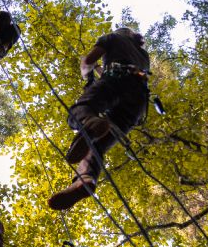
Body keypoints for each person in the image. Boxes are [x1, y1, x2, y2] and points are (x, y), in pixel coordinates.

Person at [48, 27, 150, 210]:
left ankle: (90, 122)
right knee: (97, 144)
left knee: (80, 111)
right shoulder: (143, 55)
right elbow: (125, 71)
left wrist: (87, 77)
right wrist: (99, 69)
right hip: (138, 100)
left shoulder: (112, 38)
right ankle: (84, 179)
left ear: (121, 33)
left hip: (116, 79)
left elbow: (87, 61)